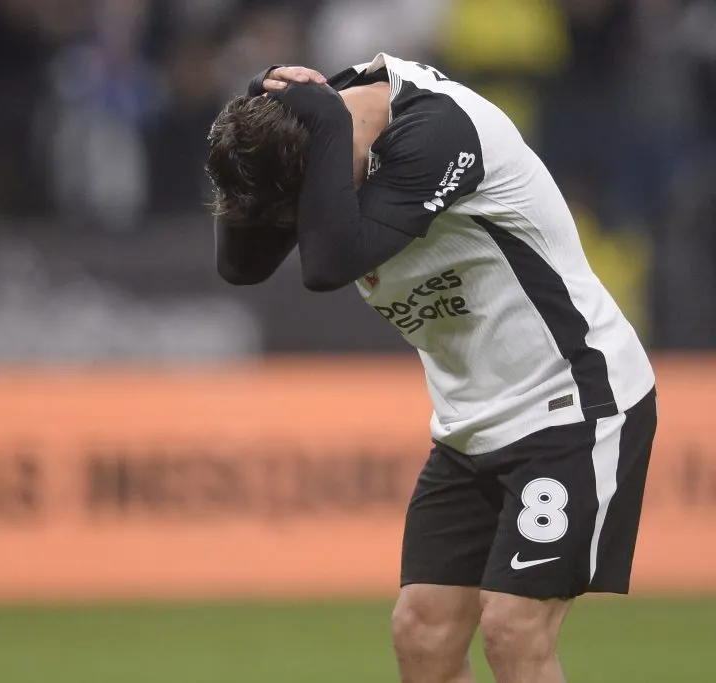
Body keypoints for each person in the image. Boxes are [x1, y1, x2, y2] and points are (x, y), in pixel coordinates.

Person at [205, 55, 657, 683]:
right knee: (422, 635)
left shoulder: (438, 131)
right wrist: (256, 104)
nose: (306, 219)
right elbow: (242, 266)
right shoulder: (320, 132)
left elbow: (329, 264)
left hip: (574, 402)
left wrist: (329, 124)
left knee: (513, 629)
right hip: (470, 426)